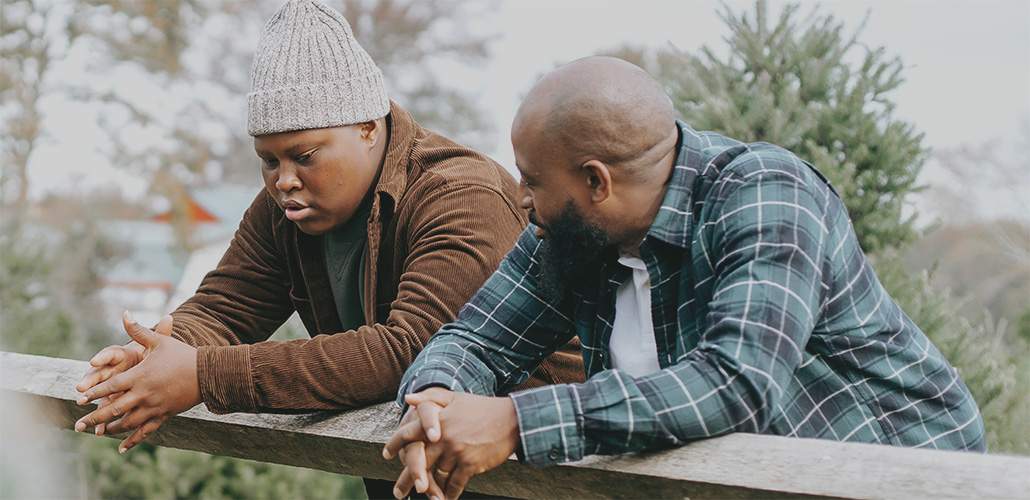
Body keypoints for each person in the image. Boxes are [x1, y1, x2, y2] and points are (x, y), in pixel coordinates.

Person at [384, 56, 986, 500]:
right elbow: (473, 339)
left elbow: (736, 385)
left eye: (533, 180)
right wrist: (434, 405)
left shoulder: (766, 194)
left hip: (906, 476)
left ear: (597, 182)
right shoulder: (572, 237)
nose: (520, 198)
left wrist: (515, 422)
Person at [70, 0, 583, 492]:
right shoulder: (284, 208)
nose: (284, 180)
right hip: (408, 469)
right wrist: (161, 351)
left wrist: (204, 374)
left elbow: (412, 351)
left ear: (367, 126)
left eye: (304, 155)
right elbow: (228, 307)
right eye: (269, 161)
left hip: (545, 475)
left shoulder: (461, 194)